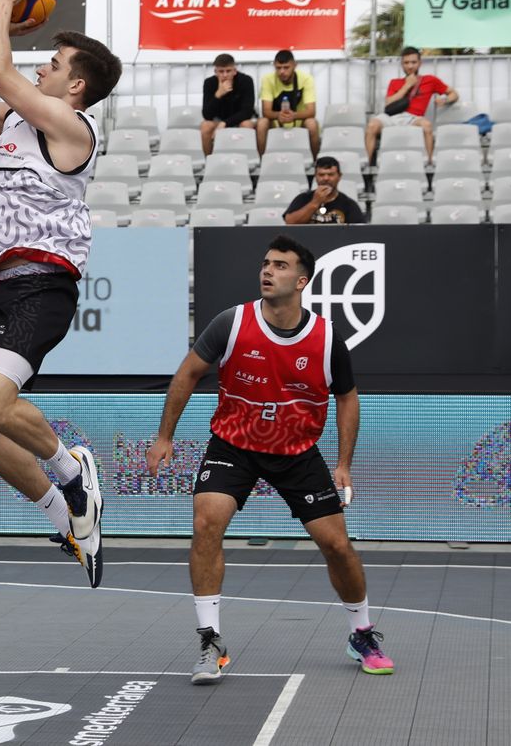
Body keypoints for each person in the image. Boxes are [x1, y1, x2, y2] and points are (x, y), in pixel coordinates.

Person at [146, 236, 393, 685]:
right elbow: (188, 373)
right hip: (234, 444)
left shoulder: (326, 338)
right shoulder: (232, 323)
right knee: (206, 522)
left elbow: (348, 399)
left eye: (280, 266)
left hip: (297, 452)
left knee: (336, 545)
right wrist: (165, 436)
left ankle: (361, 633)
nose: (267, 270)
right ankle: (210, 640)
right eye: (265, 263)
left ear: (301, 281)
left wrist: (343, 464)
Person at [0, 0, 123, 588]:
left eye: (52, 64)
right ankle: (66, 517)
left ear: (75, 86)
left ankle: (74, 467)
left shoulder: (73, 128)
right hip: (0, 286)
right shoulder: (15, 122)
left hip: (44, 283)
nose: (42, 68)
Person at [365, 46, 458, 161]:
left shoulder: (430, 80)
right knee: (372, 125)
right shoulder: (395, 82)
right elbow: (389, 102)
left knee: (427, 125)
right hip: (391, 117)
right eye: (406, 63)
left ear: (419, 63)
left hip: (413, 118)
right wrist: (407, 85)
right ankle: (367, 167)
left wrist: (445, 100)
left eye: (413, 62)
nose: (410, 66)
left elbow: (454, 94)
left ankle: (429, 164)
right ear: (402, 65)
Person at [256, 50, 320, 155]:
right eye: (278, 68)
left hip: (299, 122)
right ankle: (263, 162)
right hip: (276, 123)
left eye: (286, 67)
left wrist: (293, 116)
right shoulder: (267, 79)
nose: (282, 72)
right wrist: (279, 115)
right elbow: (266, 111)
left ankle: (314, 163)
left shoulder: (306, 79)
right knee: (262, 123)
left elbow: (311, 111)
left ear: (295, 66)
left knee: (312, 123)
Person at [200, 54, 257, 155]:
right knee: (205, 126)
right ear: (216, 72)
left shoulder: (246, 81)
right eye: (221, 71)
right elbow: (207, 115)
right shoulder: (209, 83)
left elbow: (247, 111)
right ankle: (208, 161)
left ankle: (247, 160)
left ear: (234, 71)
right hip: (219, 120)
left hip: (240, 119)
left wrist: (225, 123)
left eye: (228, 71)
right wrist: (218, 95)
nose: (225, 75)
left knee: (246, 124)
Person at [283, 156, 367, 225]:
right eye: (321, 175)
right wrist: (315, 203)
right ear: (315, 176)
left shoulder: (348, 204)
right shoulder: (303, 199)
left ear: (339, 176)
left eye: (330, 174)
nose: (326, 178)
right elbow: (290, 222)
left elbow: (359, 231)